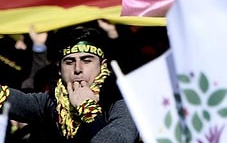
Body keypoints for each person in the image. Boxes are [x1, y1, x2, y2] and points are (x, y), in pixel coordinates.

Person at [0, 25, 138, 142]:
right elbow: (10, 99)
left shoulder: (120, 98)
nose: (77, 69)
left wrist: (87, 109)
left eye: (87, 60)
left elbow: (119, 138)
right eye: (69, 62)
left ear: (103, 66)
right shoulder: (52, 100)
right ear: (59, 70)